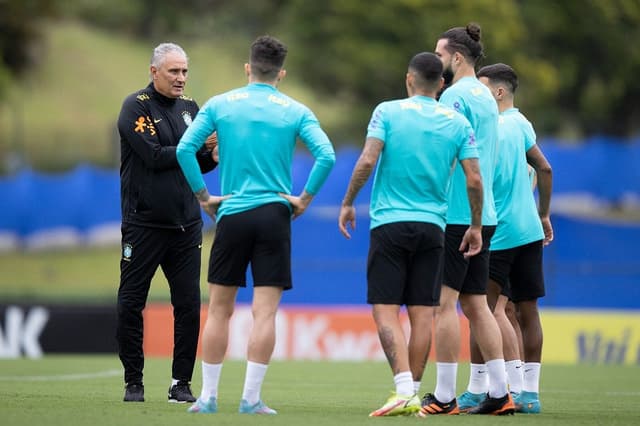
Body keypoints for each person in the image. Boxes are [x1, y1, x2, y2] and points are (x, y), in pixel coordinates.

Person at [176, 35, 336, 415]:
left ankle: (208, 398)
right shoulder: (295, 110)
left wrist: (203, 197)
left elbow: (184, 149)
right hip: (274, 215)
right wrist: (305, 198)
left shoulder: (220, 104)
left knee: (218, 310)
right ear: (281, 72)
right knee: (264, 312)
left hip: (231, 211)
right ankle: (250, 399)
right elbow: (326, 155)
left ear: (248, 67)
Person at [338, 52, 483, 417]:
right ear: (442, 84)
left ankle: (403, 388)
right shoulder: (458, 122)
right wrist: (476, 225)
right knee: (422, 314)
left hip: (390, 224)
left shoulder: (387, 112)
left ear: (408, 79)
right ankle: (414, 393)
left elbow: (369, 159)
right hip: (434, 227)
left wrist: (348, 201)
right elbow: (475, 179)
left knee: (386, 311)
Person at [419, 23, 515, 416]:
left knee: (445, 305)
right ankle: (500, 392)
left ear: (456, 58)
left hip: (457, 214)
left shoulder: (454, 96)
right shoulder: (486, 96)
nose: (436, 61)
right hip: (484, 212)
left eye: (440, 55)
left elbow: (442, 153)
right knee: (477, 305)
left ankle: (443, 396)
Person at [116, 42, 218, 403]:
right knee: (131, 302)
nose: (180, 78)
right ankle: (133, 381)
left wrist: (213, 156)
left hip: (186, 225)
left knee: (189, 305)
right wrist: (194, 149)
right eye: (173, 71)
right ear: (154, 71)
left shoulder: (192, 108)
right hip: (143, 224)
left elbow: (198, 163)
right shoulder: (135, 107)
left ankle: (181, 383)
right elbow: (154, 156)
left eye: (184, 71)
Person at [472, 63, 553, 413]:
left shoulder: (490, 129)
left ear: (498, 92)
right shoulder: (522, 123)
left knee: (482, 310)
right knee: (526, 311)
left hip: (500, 230)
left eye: (482, 87)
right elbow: (545, 169)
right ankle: (529, 395)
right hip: (530, 230)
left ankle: (485, 389)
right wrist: (544, 213)